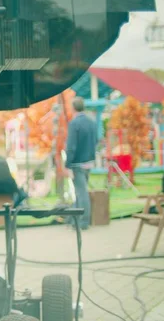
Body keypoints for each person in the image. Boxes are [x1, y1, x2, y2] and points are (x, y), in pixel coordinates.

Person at [65, 97, 98, 230]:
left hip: (77, 163)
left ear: (73, 108)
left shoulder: (74, 124)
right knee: (81, 191)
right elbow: (96, 140)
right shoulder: (92, 122)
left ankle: (83, 221)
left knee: (81, 192)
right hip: (89, 162)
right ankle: (74, 219)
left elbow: (71, 146)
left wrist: (67, 164)